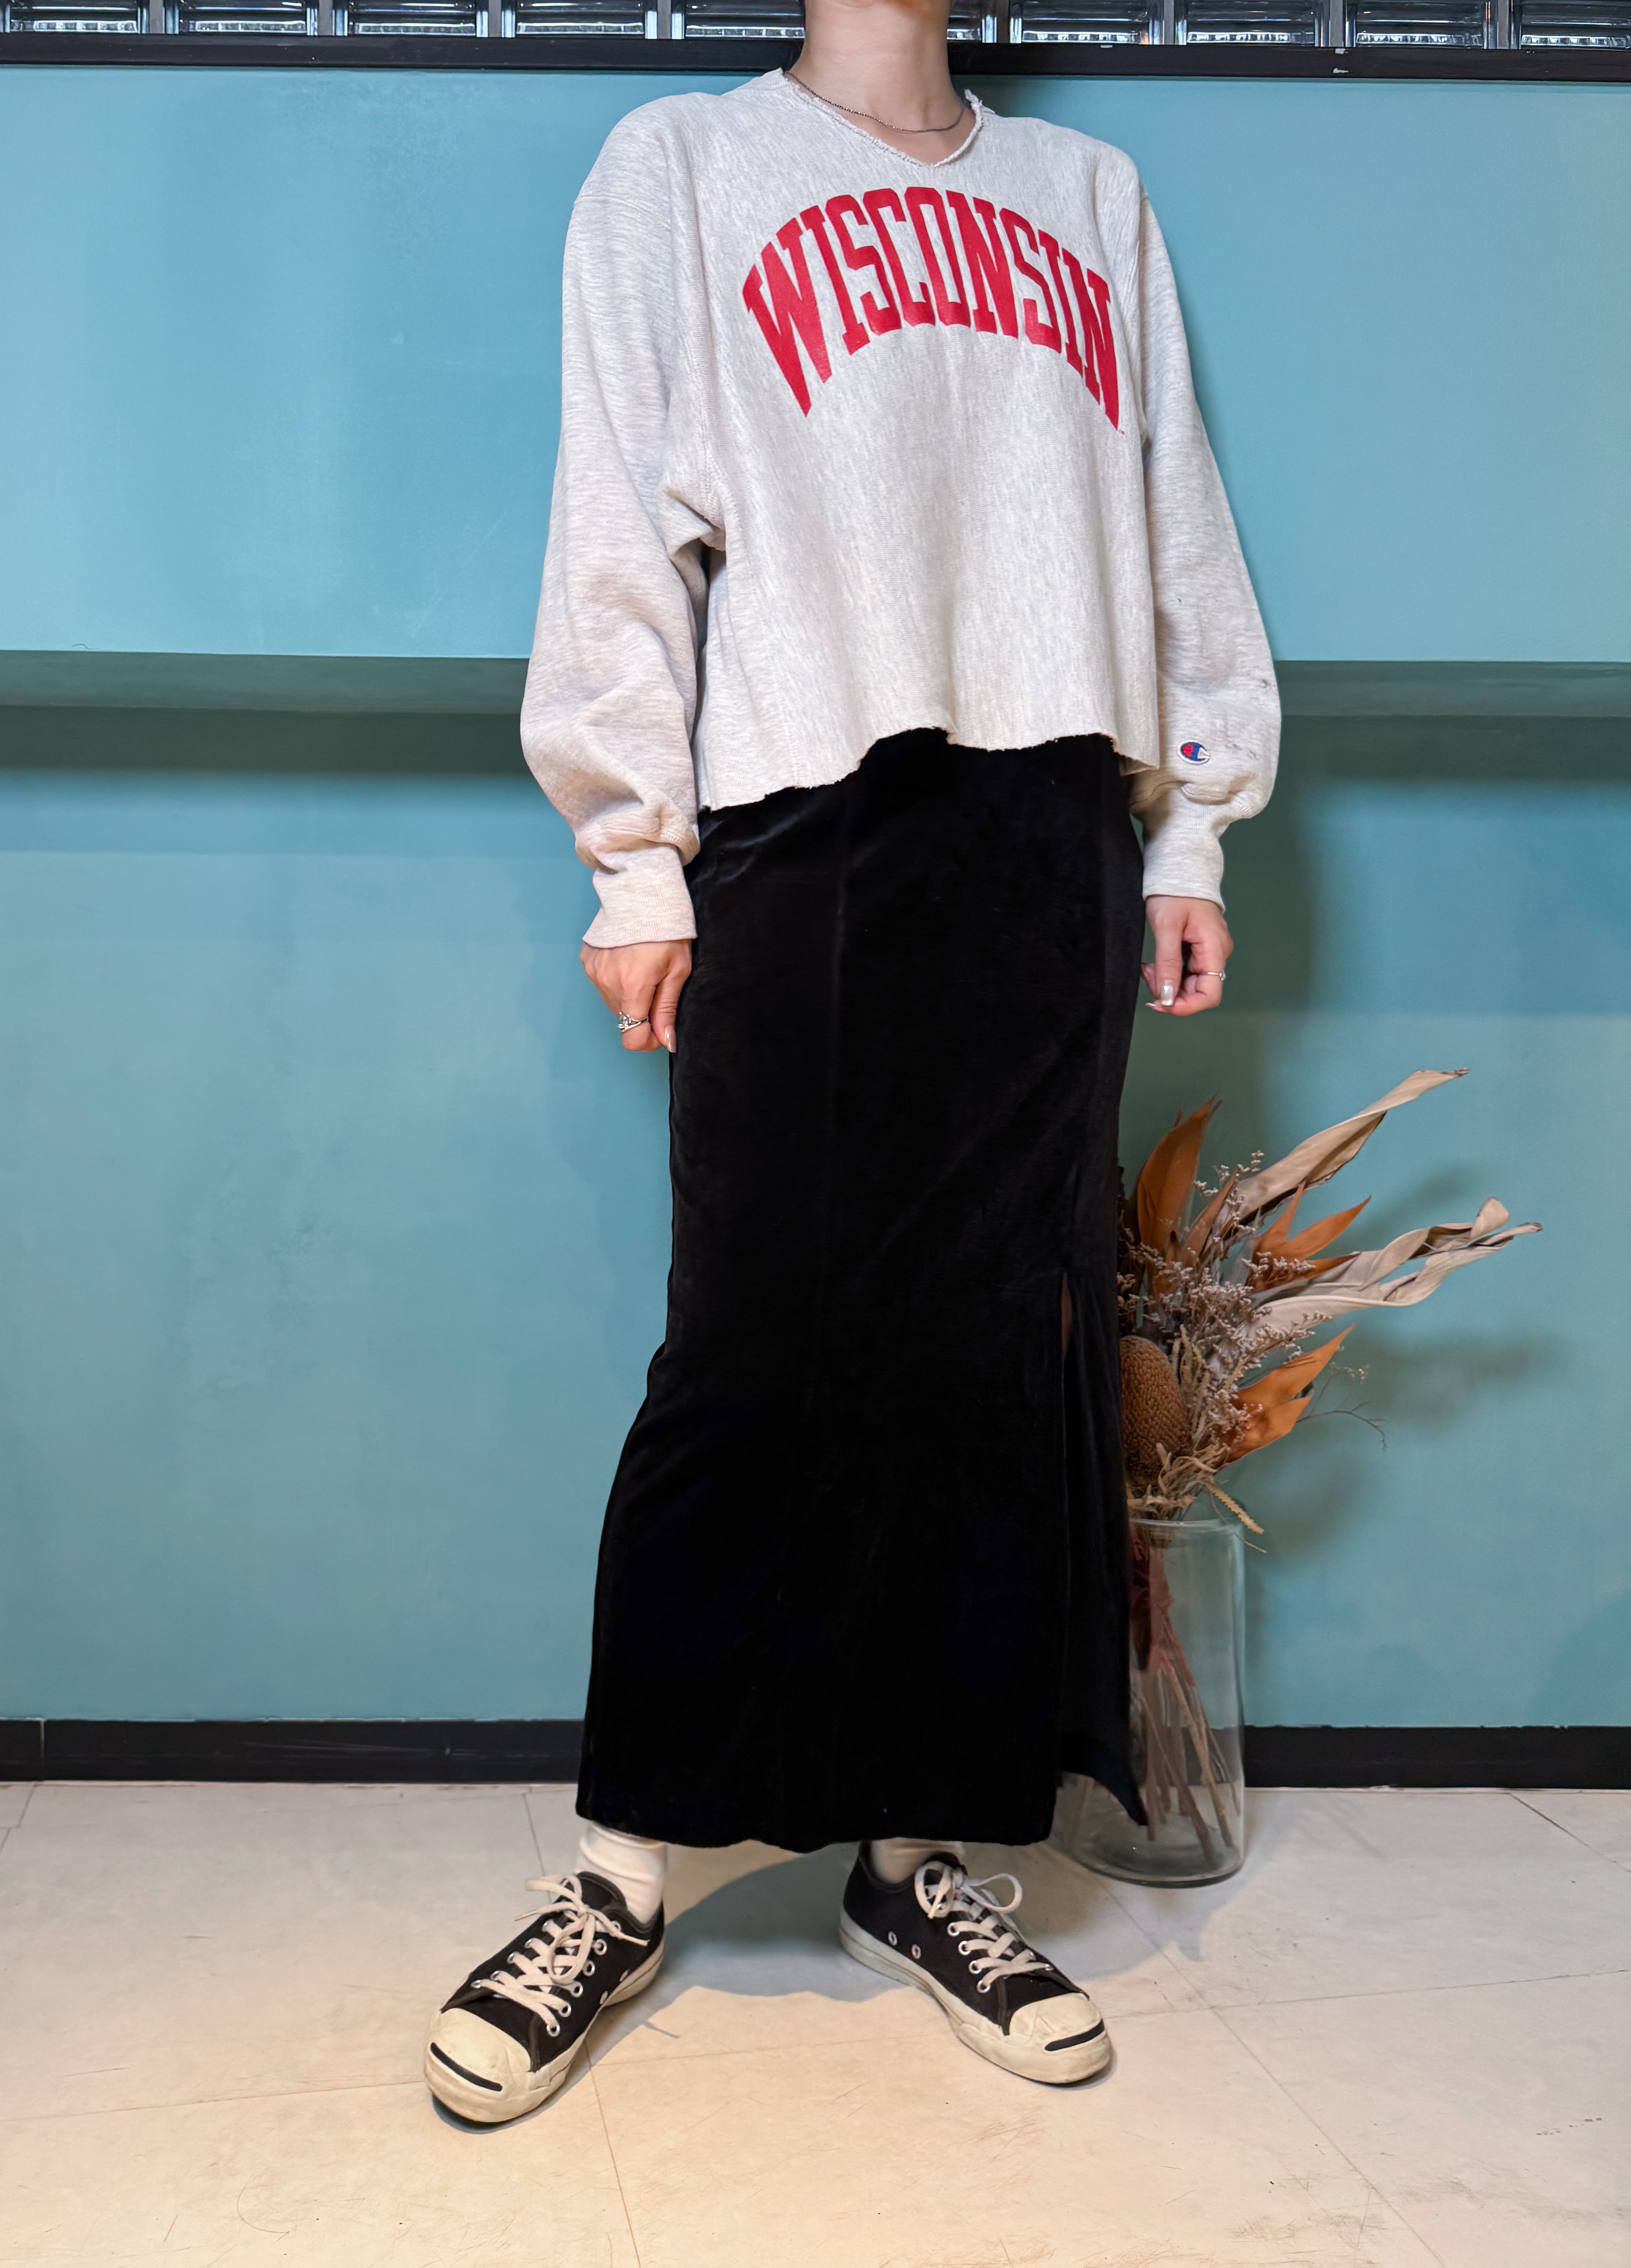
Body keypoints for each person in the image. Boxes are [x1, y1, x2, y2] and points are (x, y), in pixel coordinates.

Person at [425, 0, 1278, 2126]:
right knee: (753, 1339)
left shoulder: (1087, 195)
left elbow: (1171, 521)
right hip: (801, 803)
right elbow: (614, 519)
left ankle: (918, 1861)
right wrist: (633, 857)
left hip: (1050, 820)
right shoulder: (680, 166)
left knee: (999, 1349)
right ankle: (623, 1874)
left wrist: (1186, 824)